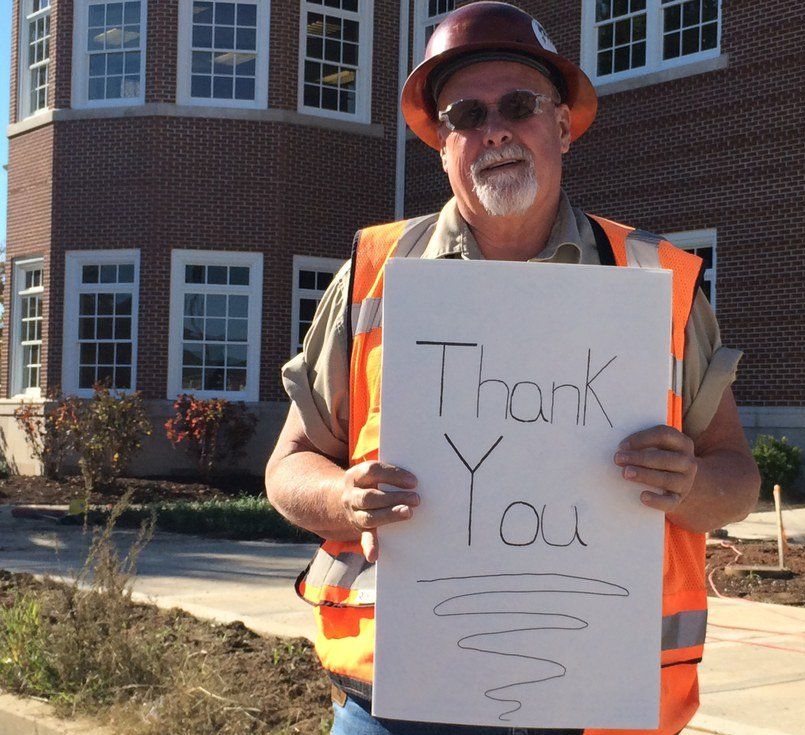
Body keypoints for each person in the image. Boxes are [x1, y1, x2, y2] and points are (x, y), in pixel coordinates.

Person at [265, 4, 760, 734]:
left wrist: (687, 484)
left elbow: (737, 481)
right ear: (441, 145)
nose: (493, 130)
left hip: (599, 702)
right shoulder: (374, 279)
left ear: (561, 126)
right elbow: (289, 463)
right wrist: (342, 497)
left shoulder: (659, 284)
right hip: (400, 702)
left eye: (519, 106)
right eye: (464, 115)